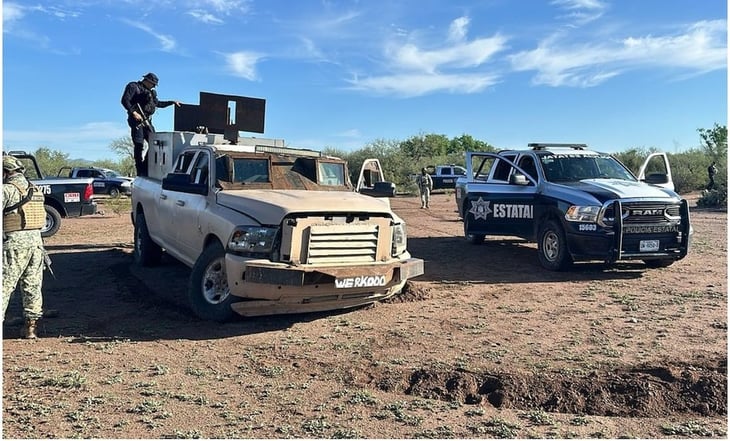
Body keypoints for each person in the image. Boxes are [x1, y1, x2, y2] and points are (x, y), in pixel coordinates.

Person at [2, 155, 46, 339]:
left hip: (13, 244)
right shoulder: (35, 190)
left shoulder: (6, 190)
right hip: (36, 244)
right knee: (32, 285)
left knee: (4, 286)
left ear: (5, 172)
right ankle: (31, 328)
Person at [121, 72, 181, 176]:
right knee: (139, 145)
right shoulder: (133, 86)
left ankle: (146, 166)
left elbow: (158, 104)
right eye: (153, 84)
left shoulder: (151, 93)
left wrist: (172, 102)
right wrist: (134, 113)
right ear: (147, 81)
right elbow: (125, 100)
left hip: (147, 121)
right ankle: (140, 170)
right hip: (136, 121)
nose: (154, 86)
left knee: (156, 143)